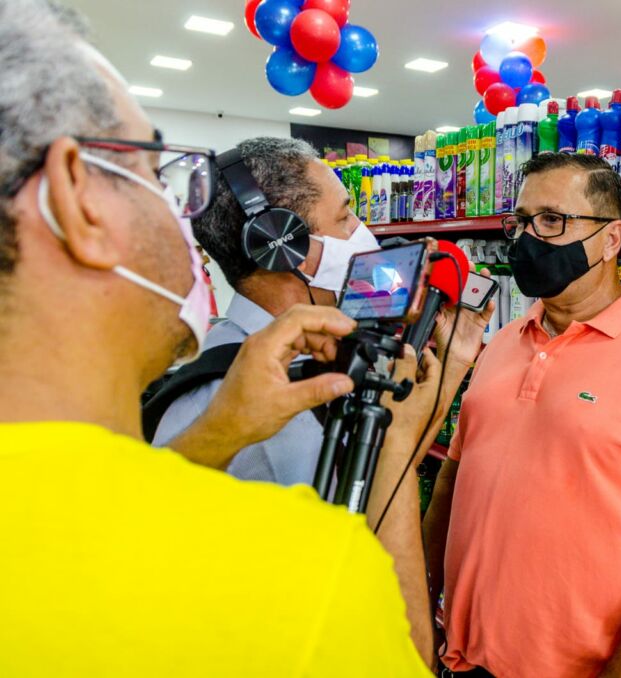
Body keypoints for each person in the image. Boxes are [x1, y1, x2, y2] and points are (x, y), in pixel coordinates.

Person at [0, 2, 479, 674]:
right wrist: (398, 439)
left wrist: (218, 435)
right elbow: (405, 655)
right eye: (160, 173)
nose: (183, 212)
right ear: (77, 197)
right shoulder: (306, 571)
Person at [423, 153, 621, 678]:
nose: (528, 238)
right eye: (520, 221)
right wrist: (420, 615)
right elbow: (453, 482)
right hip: (463, 661)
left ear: (611, 239)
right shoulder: (501, 344)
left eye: (553, 220)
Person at [151, 137, 486, 484]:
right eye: (345, 217)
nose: (362, 232)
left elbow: (378, 478)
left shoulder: (330, 345)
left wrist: (454, 360)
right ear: (281, 245)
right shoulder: (213, 398)